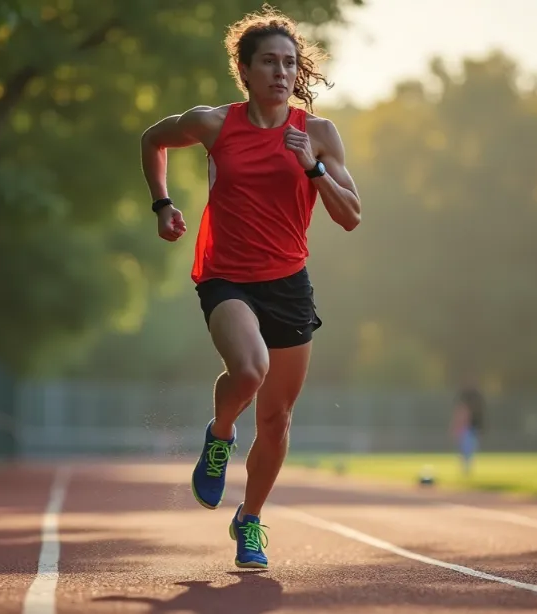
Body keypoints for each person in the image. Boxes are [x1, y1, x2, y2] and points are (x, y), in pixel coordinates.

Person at [139, 6, 361, 569]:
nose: (281, 73)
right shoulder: (213, 123)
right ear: (245, 69)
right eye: (268, 62)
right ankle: (218, 436)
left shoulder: (317, 133)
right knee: (250, 370)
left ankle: (250, 520)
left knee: (278, 419)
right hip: (225, 274)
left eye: (289, 63)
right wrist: (163, 205)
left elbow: (352, 215)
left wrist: (311, 167)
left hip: (288, 281)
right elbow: (152, 140)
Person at [452, 384, 485, 476]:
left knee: (470, 450)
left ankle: (467, 469)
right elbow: (460, 419)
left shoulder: (475, 411)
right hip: (467, 430)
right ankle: (465, 469)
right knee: (465, 450)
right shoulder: (464, 408)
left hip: (472, 430)